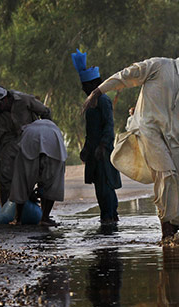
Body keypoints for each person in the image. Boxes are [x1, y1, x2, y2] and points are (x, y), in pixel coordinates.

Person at [82, 37, 179, 241]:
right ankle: (166, 234)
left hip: (173, 141)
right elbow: (127, 75)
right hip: (148, 132)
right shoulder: (159, 66)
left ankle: (174, 232)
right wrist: (98, 91)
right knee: (166, 176)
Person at [72, 49, 122, 224]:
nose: (83, 89)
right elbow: (90, 130)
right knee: (100, 185)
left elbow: (108, 125)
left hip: (103, 150)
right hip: (94, 150)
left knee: (105, 184)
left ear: (93, 85)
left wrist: (102, 146)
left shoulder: (103, 101)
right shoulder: (92, 102)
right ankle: (108, 215)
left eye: (85, 86)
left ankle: (109, 216)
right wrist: (86, 148)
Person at [0, 85, 51, 205]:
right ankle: (4, 208)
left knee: (42, 172)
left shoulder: (23, 100)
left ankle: (42, 210)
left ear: (5, 99)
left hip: (32, 136)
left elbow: (45, 112)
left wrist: (48, 134)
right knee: (4, 177)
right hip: (11, 142)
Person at [9, 119, 66, 226]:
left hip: (30, 141)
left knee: (22, 181)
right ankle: (45, 217)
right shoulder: (54, 129)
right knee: (52, 183)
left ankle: (18, 219)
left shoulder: (28, 128)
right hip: (53, 144)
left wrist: (29, 190)